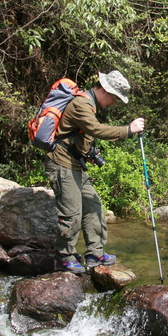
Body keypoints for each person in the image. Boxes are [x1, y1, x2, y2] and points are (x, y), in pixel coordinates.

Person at [46, 70, 145, 273]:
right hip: (62, 164)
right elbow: (97, 130)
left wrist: (88, 152)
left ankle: (95, 253)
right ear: (106, 91)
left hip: (75, 163)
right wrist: (128, 130)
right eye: (115, 98)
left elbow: (80, 135)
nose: (115, 103)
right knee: (71, 213)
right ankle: (64, 256)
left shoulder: (89, 105)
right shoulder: (81, 104)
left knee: (94, 206)